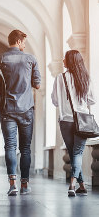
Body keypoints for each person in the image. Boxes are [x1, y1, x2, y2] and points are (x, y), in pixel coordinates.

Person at [0, 30, 41, 196]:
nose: (24, 46)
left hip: (7, 109)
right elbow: (37, 84)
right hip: (26, 110)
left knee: (9, 146)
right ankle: (25, 184)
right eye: (24, 42)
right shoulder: (30, 59)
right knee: (25, 149)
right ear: (18, 42)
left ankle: (13, 184)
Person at [51, 50, 95, 196]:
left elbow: (55, 101)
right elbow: (92, 100)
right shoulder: (85, 78)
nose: (63, 60)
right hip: (83, 120)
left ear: (70, 61)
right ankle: (78, 185)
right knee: (76, 153)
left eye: (65, 58)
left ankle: (74, 185)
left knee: (73, 153)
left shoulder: (60, 78)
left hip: (66, 121)